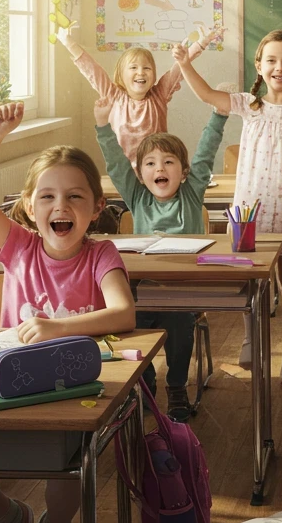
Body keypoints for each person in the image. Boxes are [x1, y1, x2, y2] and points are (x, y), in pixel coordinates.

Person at [0, 102, 136, 523]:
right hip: (5, 387)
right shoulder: (18, 246)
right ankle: (10, 519)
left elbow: (124, 313)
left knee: (66, 471)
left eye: (76, 196)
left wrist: (59, 329)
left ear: (97, 208)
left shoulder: (101, 253)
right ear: (30, 206)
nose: (61, 206)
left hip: (72, 393)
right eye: (48, 196)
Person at [171, 30, 282, 385]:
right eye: (272, 60)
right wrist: (186, 64)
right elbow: (206, 94)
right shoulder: (249, 104)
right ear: (259, 66)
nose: (279, 67)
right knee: (249, 281)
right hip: (249, 211)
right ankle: (250, 339)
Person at [94, 92, 227, 421]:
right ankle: (145, 381)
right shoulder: (137, 195)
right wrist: (101, 125)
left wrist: (219, 116)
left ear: (184, 171)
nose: (160, 168)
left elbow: (206, 152)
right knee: (127, 321)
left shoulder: (192, 192)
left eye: (169, 162)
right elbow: (114, 162)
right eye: (151, 163)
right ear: (140, 174)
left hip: (185, 292)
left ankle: (177, 385)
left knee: (180, 321)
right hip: (142, 291)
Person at [56, 20, 222, 161]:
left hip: (157, 171)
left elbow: (180, 66)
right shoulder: (113, 96)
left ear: (154, 74)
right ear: (121, 74)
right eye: (133, 67)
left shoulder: (159, 94)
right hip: (125, 175)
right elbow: (92, 70)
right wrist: (69, 43)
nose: (141, 72)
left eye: (147, 68)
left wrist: (202, 42)